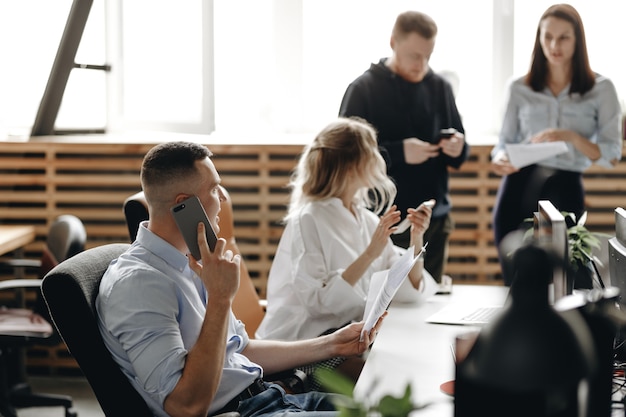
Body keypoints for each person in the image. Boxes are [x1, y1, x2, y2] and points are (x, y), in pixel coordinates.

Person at [95, 141, 383, 417]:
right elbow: (185, 406)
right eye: (214, 188)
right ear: (184, 204)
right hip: (240, 412)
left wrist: (333, 344)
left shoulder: (195, 262)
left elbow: (242, 350)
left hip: (269, 396)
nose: (222, 198)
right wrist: (220, 299)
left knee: (386, 408)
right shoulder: (139, 285)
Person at [256, 117, 433, 384]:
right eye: (371, 149)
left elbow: (405, 289)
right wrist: (370, 254)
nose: (379, 157)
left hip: (344, 340)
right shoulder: (307, 219)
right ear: (351, 165)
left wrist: (416, 240)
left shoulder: (366, 219)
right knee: (384, 382)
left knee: (411, 364)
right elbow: (316, 302)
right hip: (301, 349)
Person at [490, 3, 623, 285]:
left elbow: (612, 154)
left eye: (564, 37)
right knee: (517, 280)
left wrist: (571, 137)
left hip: (565, 186)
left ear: (578, 40)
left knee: (564, 277)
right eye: (547, 36)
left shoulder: (602, 89)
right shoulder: (518, 87)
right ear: (539, 38)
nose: (554, 45)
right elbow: (504, 142)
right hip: (518, 185)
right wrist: (499, 157)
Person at [338, 10, 469, 284]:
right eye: (414, 56)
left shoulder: (440, 87)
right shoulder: (363, 89)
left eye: (428, 56)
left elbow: (459, 152)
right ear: (393, 43)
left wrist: (458, 148)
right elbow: (345, 158)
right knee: (382, 309)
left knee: (427, 302)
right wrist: (398, 153)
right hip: (381, 220)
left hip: (433, 220)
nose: (422, 65)